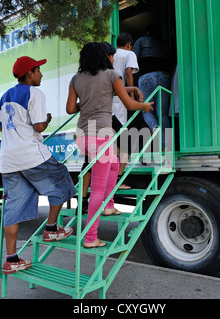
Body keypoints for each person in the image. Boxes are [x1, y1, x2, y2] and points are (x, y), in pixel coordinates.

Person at [66, 42, 153, 248]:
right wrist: (145, 106)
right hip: (101, 135)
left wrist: (86, 101)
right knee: (97, 189)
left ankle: (110, 205)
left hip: (83, 135)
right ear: (104, 57)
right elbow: (130, 105)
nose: (113, 58)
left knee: (114, 163)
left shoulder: (76, 79)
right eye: (110, 56)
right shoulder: (112, 75)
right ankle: (90, 238)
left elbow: (70, 108)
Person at [0, 56, 76, 274]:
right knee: (62, 180)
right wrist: (47, 119)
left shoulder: (4, 97)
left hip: (9, 160)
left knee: (13, 207)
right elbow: (40, 126)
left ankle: (12, 259)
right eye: (38, 70)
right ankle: (51, 228)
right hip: (31, 155)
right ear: (29, 73)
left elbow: (3, 128)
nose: (41, 74)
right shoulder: (35, 92)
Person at [133, 23, 171, 148]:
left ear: (147, 32)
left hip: (146, 76)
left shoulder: (141, 40)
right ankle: (167, 145)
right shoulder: (164, 44)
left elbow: (133, 59)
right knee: (163, 113)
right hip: (164, 76)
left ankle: (154, 126)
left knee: (146, 108)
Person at [111, 33, 140, 189]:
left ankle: (112, 176)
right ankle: (117, 178)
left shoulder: (110, 54)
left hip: (108, 99)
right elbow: (128, 72)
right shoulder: (129, 53)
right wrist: (131, 94)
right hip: (120, 99)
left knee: (113, 139)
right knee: (123, 141)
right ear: (129, 44)